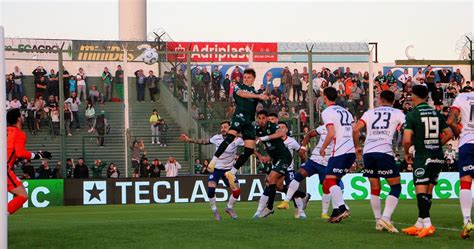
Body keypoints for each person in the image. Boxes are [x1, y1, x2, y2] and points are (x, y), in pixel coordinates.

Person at [402, 85, 453, 238]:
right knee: (428, 190)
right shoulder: (437, 113)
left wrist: (406, 153)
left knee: (420, 189)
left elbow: (406, 139)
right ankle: (419, 222)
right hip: (437, 155)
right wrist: (438, 144)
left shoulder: (412, 115)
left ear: (415, 96)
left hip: (423, 156)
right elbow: (449, 133)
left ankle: (428, 224)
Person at [353, 90, 405, 233]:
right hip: (384, 151)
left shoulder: (370, 113)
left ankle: (378, 221)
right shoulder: (397, 113)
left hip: (368, 152)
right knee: (396, 186)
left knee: (375, 188)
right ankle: (386, 218)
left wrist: (357, 147)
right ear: (393, 101)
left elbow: (356, 130)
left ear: (380, 100)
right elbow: (405, 128)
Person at [208, 68, 269, 185]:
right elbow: (242, 94)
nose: (246, 79)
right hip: (239, 117)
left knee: (249, 149)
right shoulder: (238, 86)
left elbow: (265, 96)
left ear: (253, 79)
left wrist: (266, 91)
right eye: (245, 77)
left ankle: (232, 172)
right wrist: (258, 96)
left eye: (248, 78)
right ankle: (214, 161)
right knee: (230, 138)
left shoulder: (256, 92)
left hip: (250, 121)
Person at [181, 121, 244, 220]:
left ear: (230, 128)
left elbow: (250, 142)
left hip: (229, 171)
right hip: (216, 169)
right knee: (211, 190)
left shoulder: (238, 140)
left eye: (225, 127)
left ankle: (229, 207)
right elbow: (204, 141)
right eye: (221, 127)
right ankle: (215, 211)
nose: (223, 129)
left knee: (237, 190)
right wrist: (189, 140)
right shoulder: (216, 138)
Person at [277, 123, 334, 219]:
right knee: (299, 175)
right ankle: (286, 201)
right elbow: (309, 134)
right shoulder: (323, 128)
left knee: (326, 186)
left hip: (326, 163)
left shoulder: (341, 131)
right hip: (314, 159)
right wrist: (303, 147)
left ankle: (324, 213)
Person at [319, 87, 356, 223]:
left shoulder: (327, 111)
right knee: (333, 181)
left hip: (340, 151)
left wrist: (323, 148)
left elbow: (331, 133)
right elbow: (355, 130)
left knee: (329, 181)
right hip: (350, 151)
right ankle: (336, 211)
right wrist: (356, 147)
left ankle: (342, 208)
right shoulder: (346, 111)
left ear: (325, 97)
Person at [6, 109, 51, 215]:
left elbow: (12, 153)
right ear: (18, 118)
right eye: (21, 115)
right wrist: (38, 155)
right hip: (4, 169)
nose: (23, 117)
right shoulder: (19, 133)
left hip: (7, 167)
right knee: (22, 196)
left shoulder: (5, 131)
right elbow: (20, 153)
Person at [251, 111, 293, 218]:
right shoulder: (257, 130)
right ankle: (302, 195)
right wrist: (260, 156)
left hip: (284, 157)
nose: (261, 121)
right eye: (259, 118)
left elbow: (281, 133)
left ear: (267, 119)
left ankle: (269, 208)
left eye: (263, 118)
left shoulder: (273, 126)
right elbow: (251, 144)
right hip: (275, 159)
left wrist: (264, 138)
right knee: (278, 186)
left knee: (270, 179)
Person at [447, 89, 474, 239]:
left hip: (468, 143)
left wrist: (458, 129)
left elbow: (450, 120)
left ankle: (467, 221)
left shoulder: (462, 97)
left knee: (465, 183)